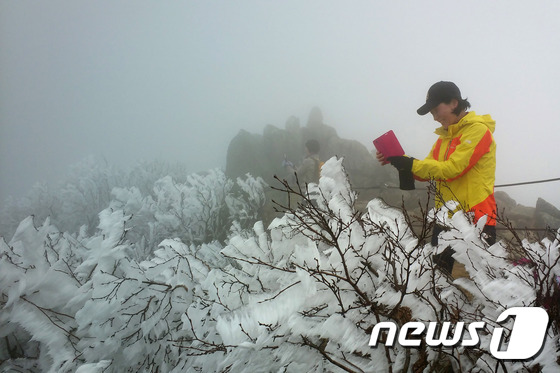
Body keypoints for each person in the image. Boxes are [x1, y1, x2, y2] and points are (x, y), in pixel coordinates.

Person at [377, 81, 497, 274]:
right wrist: (398, 160)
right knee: (437, 282)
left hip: (476, 221)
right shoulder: (443, 139)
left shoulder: (478, 131)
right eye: (432, 113)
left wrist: (410, 163)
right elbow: (427, 172)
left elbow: (452, 169)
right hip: (446, 220)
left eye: (435, 111)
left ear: (453, 103)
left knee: (477, 289)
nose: (434, 118)